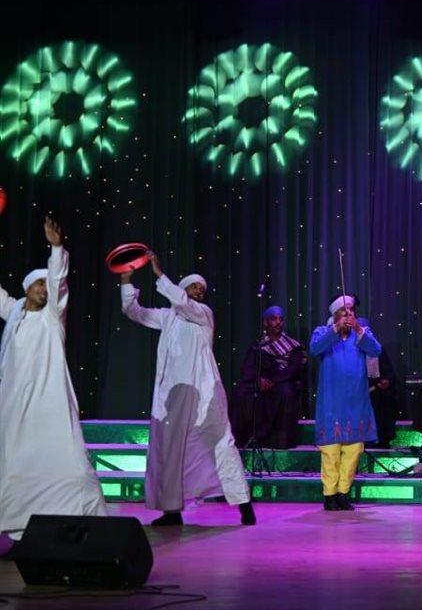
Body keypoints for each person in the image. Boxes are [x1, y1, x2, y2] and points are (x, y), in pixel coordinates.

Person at [120, 254, 255, 526]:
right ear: (182, 288)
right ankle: (171, 511)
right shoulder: (166, 317)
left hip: (204, 392)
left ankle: (243, 503)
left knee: (220, 442)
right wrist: (126, 282)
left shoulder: (203, 314)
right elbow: (133, 312)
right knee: (170, 448)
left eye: (202, 289)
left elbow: (184, 305)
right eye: (195, 286)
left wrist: (159, 274)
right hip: (172, 394)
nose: (199, 291)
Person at [0, 216, 107, 541]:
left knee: (68, 463)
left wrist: (57, 248)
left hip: (49, 404)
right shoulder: (15, 312)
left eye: (47, 285)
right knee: (13, 467)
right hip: (16, 406)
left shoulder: (52, 316)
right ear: (26, 288)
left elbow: (58, 278)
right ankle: (18, 530)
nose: (45, 289)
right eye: (39, 284)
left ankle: (92, 526)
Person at [310, 295, 381, 511]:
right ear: (335, 313)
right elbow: (315, 349)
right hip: (331, 402)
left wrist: (358, 329)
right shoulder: (323, 332)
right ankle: (329, 494)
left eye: (352, 310)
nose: (349, 313)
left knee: (353, 451)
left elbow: (376, 350)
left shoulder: (361, 333)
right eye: (345, 309)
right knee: (330, 450)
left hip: (355, 402)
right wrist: (336, 329)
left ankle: (343, 492)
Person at [232, 306, 306, 449]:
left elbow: (293, 369)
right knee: (240, 393)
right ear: (266, 323)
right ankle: (245, 439)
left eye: (280, 319)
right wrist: (258, 379)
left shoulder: (293, 345)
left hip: (282, 381)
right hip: (260, 381)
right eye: (274, 319)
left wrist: (272, 381)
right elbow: (248, 368)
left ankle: (279, 441)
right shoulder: (258, 345)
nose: (278, 322)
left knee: (285, 393)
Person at [368, 346, 400, 448]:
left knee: (385, 397)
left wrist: (387, 381)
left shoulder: (376, 348)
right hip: (359, 391)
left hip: (377, 391)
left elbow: (390, 373)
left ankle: (381, 440)